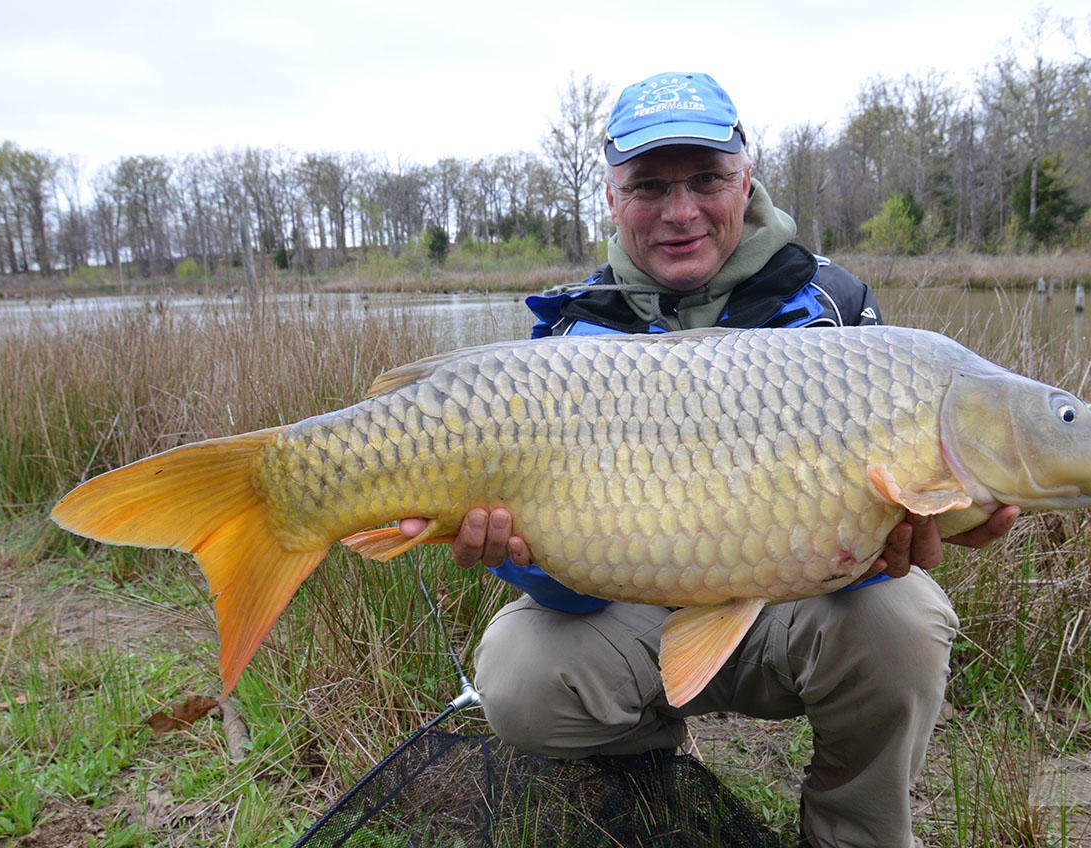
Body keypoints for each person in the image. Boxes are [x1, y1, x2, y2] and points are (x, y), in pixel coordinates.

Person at [401, 72, 1018, 848]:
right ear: (611, 196)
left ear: (746, 177)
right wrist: (513, 556)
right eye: (650, 186)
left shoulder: (834, 313)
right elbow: (565, 594)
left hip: (787, 610)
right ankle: (646, 764)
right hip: (627, 612)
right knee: (519, 671)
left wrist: (893, 544)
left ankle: (855, 834)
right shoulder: (569, 338)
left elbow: (864, 533)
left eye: (706, 180)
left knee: (904, 616)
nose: (681, 211)